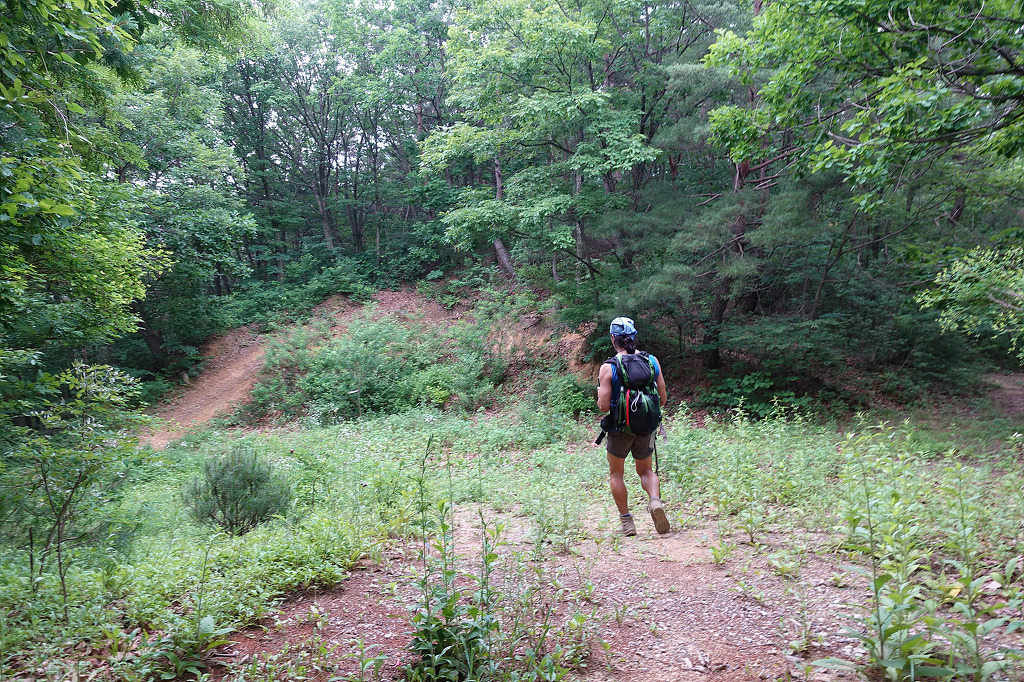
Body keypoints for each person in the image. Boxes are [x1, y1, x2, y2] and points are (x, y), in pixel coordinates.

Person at [596, 317, 670, 536]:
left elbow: (603, 407)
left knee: (616, 474)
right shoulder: (652, 361)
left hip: (619, 429)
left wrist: (601, 394)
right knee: (646, 470)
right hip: (646, 427)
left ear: (613, 338)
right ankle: (654, 501)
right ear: (633, 336)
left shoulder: (609, 367)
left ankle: (627, 523)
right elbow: (663, 399)